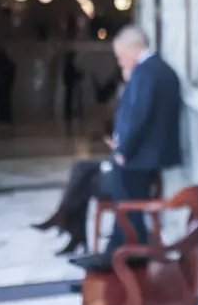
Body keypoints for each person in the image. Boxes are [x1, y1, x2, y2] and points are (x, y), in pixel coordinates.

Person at [69, 26, 182, 271]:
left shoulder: (146, 72)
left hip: (141, 157)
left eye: (120, 54)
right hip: (145, 155)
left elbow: (140, 116)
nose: (119, 60)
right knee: (118, 196)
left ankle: (121, 252)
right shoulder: (154, 70)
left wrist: (123, 152)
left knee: (121, 198)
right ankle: (115, 251)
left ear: (134, 48)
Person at [30, 67, 129, 255]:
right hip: (118, 161)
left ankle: (66, 223)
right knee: (80, 167)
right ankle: (68, 224)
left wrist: (118, 146)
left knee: (82, 183)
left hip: (125, 170)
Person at [62, 50, 85, 134]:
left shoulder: (69, 66)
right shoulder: (69, 66)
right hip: (70, 86)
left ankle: (69, 112)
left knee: (69, 99)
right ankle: (69, 112)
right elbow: (72, 75)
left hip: (70, 85)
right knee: (69, 99)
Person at [0, 45, 16, 124]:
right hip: (5, 85)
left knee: (2, 101)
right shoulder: (9, 63)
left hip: (2, 84)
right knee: (5, 101)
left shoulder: (3, 63)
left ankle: (4, 116)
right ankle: (5, 117)